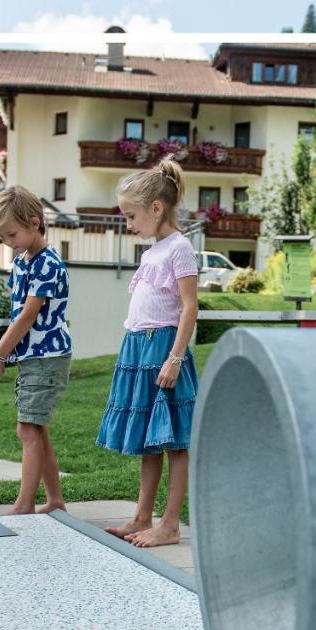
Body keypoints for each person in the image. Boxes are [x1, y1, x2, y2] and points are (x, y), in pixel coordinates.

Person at [97, 157, 199, 547]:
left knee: (174, 441)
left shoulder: (180, 248)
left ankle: (170, 524)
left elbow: (189, 307)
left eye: (131, 216)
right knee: (150, 440)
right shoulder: (151, 252)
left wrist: (175, 358)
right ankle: (142, 515)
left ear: (157, 208)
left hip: (164, 350)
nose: (128, 224)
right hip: (139, 349)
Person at [0, 186, 71, 515]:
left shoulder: (48, 264)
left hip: (47, 356)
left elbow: (27, 315)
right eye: (2, 237)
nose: (8, 242)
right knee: (37, 429)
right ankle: (55, 500)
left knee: (27, 428)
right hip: (33, 356)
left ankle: (25, 505)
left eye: (11, 234)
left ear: (35, 223)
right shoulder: (23, 261)